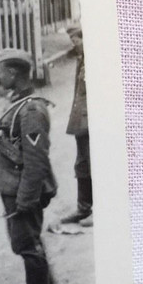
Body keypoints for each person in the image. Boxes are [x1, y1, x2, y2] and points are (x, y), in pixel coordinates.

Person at [0, 48, 58, 284]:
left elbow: (36, 160)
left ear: (13, 72)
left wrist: (26, 199)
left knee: (27, 244)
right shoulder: (19, 102)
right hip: (13, 185)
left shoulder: (30, 110)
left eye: (0, 70)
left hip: (21, 189)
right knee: (29, 241)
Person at [60, 25, 92, 227]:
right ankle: (83, 208)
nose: (74, 45)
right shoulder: (81, 60)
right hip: (80, 122)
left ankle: (98, 211)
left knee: (94, 165)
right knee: (81, 164)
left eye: (76, 40)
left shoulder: (95, 61)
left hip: (91, 123)